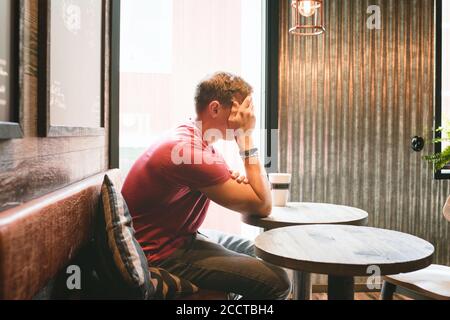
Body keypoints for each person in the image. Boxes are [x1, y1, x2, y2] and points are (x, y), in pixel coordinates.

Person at [122, 72, 291, 300]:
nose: (247, 117)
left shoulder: (195, 139)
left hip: (181, 238)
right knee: (278, 282)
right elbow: (262, 205)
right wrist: (246, 136)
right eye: (242, 110)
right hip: (161, 252)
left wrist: (244, 183)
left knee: (259, 251)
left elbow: (254, 195)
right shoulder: (189, 152)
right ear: (215, 108)